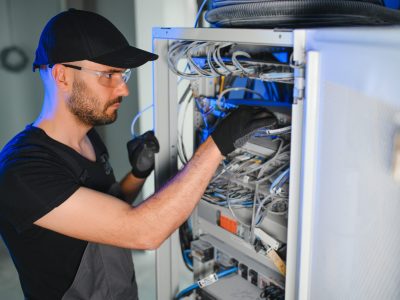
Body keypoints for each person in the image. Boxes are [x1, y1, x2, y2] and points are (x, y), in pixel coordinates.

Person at [0, 9, 273, 300]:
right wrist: (218, 144)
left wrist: (138, 174)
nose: (124, 89)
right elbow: (143, 231)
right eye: (109, 74)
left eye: (123, 74)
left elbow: (106, 213)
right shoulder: (21, 170)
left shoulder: (88, 139)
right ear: (62, 75)